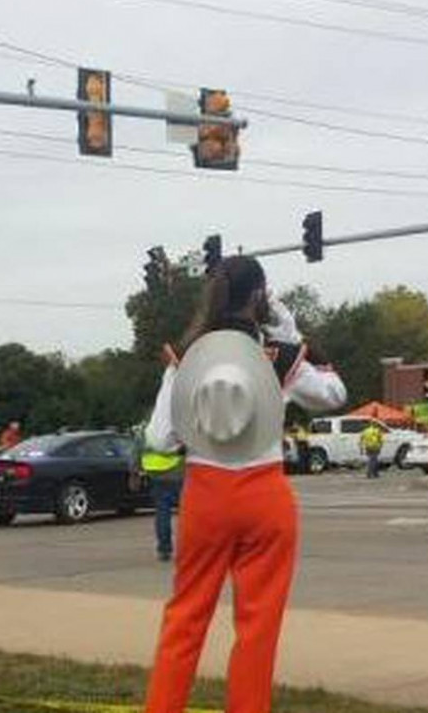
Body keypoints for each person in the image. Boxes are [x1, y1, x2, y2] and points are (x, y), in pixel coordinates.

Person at [143, 256, 346, 713]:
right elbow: (335, 394)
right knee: (258, 628)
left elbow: (159, 438)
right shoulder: (279, 356)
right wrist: (293, 335)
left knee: (185, 618)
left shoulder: (188, 357)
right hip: (264, 494)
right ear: (260, 297)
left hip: (205, 495)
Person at [142, 400, 185, 562]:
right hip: (175, 472)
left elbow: (137, 449)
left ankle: (164, 549)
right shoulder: (175, 425)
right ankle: (189, 547)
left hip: (155, 473)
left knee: (162, 513)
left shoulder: (147, 429)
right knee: (186, 513)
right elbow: (185, 447)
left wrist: (134, 471)